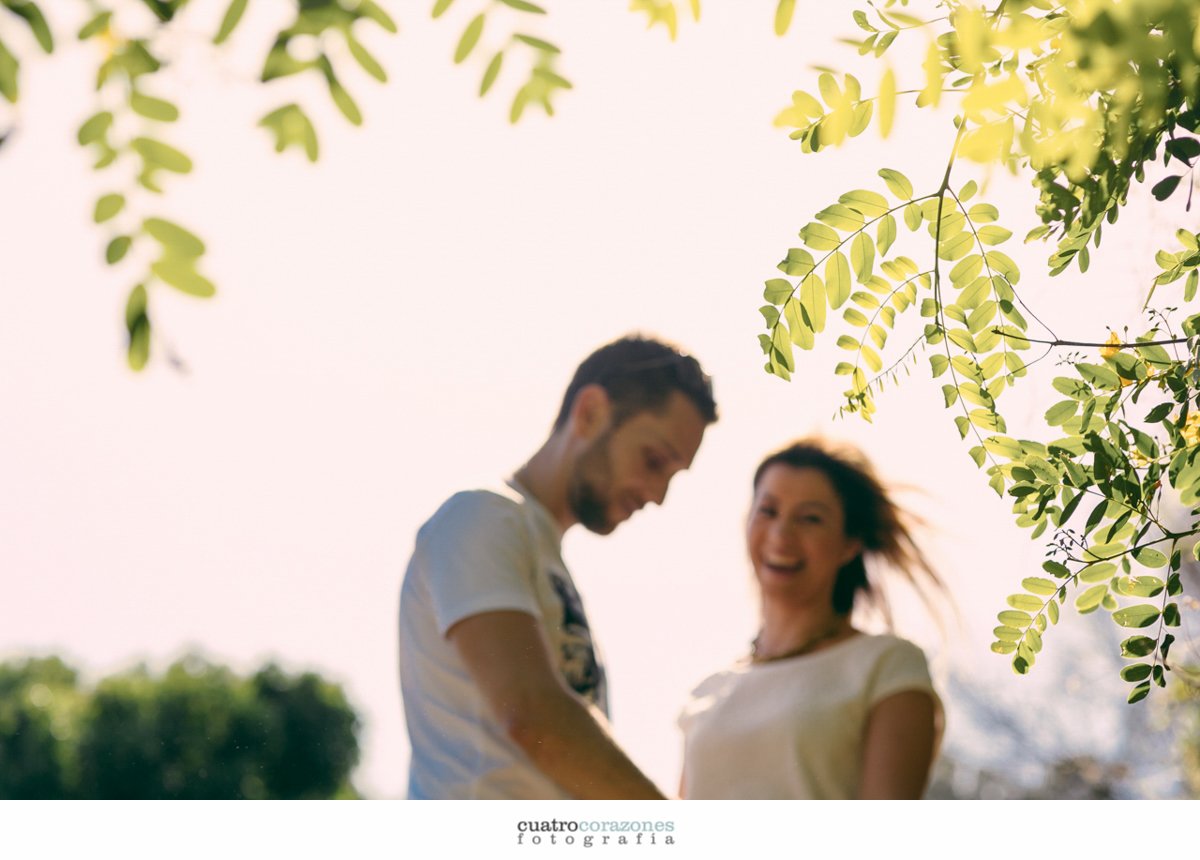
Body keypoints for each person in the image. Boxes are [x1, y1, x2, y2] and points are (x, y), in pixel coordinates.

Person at [400, 334, 718, 799]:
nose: (658, 495)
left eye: (672, 476)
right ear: (590, 412)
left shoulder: (540, 553)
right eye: (653, 461)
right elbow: (533, 716)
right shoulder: (481, 516)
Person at [678, 438, 943, 799]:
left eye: (810, 519)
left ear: (850, 543)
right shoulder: (708, 691)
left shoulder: (887, 666)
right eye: (768, 511)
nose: (781, 535)